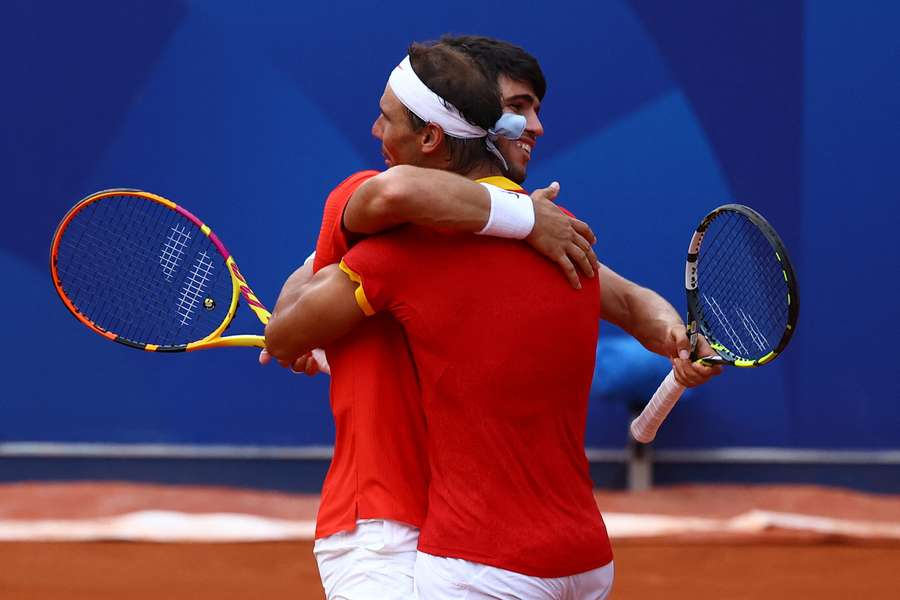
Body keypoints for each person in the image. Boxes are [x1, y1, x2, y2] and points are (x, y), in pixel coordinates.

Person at [265, 40, 721, 600]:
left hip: (464, 539)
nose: (531, 126)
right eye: (512, 108)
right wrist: (525, 215)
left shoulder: (524, 237)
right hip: (392, 524)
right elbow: (387, 204)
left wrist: (678, 338)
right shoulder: (405, 215)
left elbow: (629, 302)